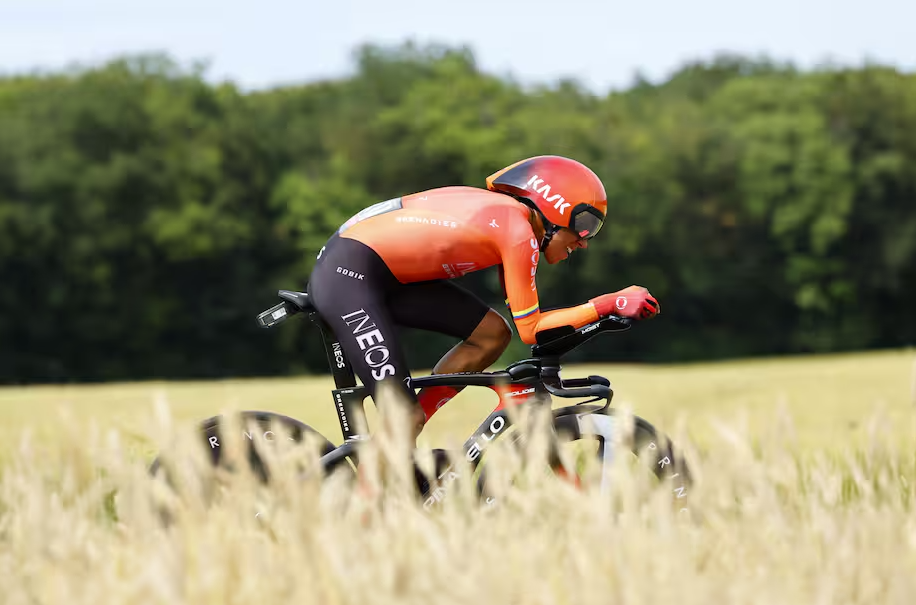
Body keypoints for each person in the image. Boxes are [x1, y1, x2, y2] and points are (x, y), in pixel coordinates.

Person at [307, 155, 660, 441]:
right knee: (403, 418)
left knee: (491, 335)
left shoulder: (510, 219)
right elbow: (532, 331)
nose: (584, 240)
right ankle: (363, 512)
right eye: (584, 225)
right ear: (553, 207)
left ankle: (409, 429)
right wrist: (607, 303)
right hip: (350, 276)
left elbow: (521, 326)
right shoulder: (517, 231)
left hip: (379, 273)